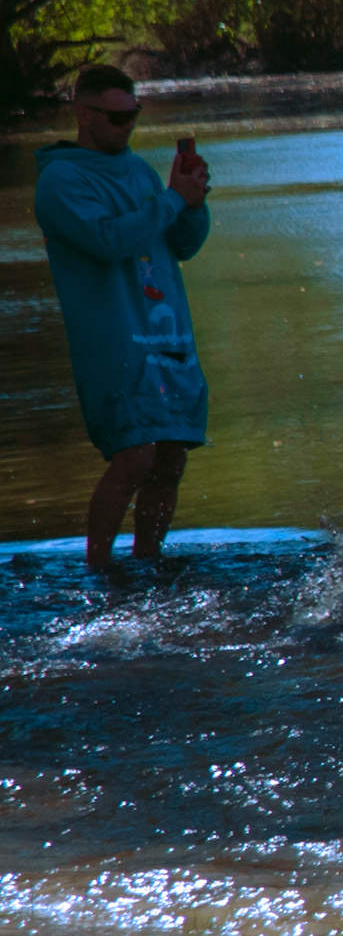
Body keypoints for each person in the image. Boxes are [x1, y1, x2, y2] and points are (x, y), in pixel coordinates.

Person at [33, 64, 213, 571]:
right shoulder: (61, 180)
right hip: (113, 342)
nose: (126, 127)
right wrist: (173, 199)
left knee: (171, 456)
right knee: (135, 455)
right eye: (115, 118)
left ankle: (149, 561)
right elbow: (109, 240)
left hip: (165, 336)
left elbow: (180, 244)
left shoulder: (140, 172)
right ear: (82, 113)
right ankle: (99, 568)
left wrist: (192, 203)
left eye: (132, 115)